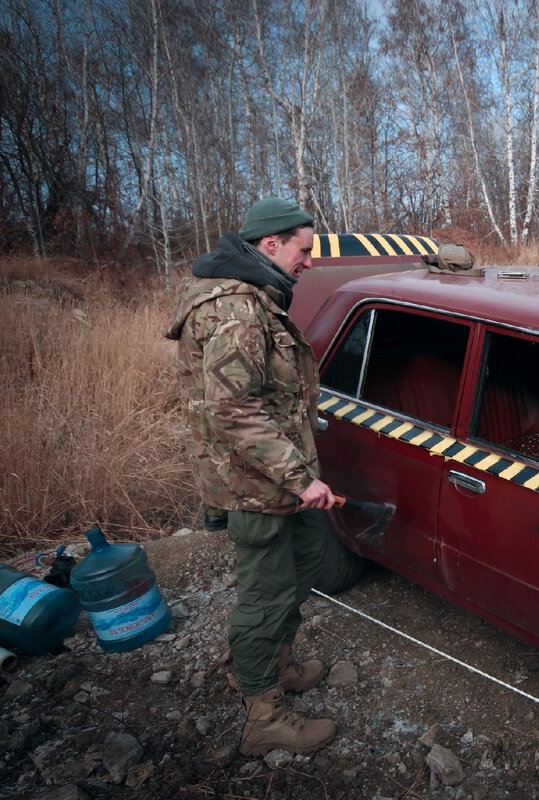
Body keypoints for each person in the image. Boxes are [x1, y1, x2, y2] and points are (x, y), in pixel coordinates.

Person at [165, 198, 337, 756]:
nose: (308, 262)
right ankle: (263, 718)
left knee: (305, 561)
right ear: (270, 246)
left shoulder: (258, 298)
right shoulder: (238, 311)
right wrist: (300, 477)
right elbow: (233, 409)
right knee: (264, 596)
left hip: (280, 479)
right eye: (303, 250)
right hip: (256, 484)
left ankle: (278, 665)